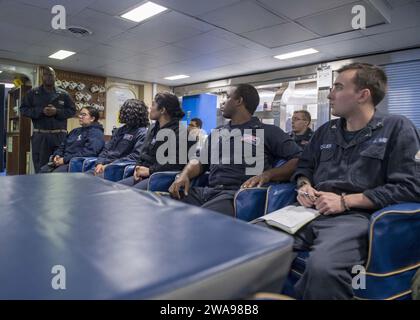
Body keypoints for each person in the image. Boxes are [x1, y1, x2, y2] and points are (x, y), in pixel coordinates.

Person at [259, 62, 420, 300]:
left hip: (353, 218)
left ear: (363, 95)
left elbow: (411, 187)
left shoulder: (396, 127)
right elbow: (304, 167)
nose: (330, 94)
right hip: (306, 212)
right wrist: (304, 185)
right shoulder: (326, 131)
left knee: (323, 269)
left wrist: (346, 201)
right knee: (249, 240)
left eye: (338, 87)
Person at [168, 84, 302, 217]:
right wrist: (184, 175)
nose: (223, 102)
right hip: (206, 192)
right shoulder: (217, 132)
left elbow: (298, 159)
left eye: (227, 97)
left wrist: (268, 175)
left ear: (239, 101)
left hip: (236, 196)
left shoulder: (268, 131)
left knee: (200, 219)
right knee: (162, 205)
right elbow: (200, 161)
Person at [119, 92, 190, 190]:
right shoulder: (152, 128)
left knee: (130, 195)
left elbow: (176, 162)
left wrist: (150, 171)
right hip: (145, 173)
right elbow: (142, 153)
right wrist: (138, 167)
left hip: (161, 177)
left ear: (162, 110)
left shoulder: (180, 132)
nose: (149, 109)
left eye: (153, 105)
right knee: (115, 189)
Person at [20, 66, 76, 173]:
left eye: (51, 74)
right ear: (42, 77)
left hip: (59, 137)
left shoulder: (64, 94)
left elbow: (72, 111)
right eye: (46, 74)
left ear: (55, 77)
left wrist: (57, 112)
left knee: (59, 166)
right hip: (41, 136)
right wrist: (41, 111)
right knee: (41, 168)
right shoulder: (33, 93)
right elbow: (23, 110)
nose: (48, 77)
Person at [92, 99, 149, 177]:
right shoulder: (119, 131)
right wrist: (99, 163)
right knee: (82, 178)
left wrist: (110, 165)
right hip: (103, 166)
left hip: (118, 168)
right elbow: (106, 149)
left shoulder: (142, 133)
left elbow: (135, 156)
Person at [40, 107, 104, 173]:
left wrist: (65, 160)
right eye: (80, 114)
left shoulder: (96, 133)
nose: (80, 116)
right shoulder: (75, 131)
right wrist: (57, 155)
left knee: (55, 176)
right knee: (42, 172)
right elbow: (63, 145)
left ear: (92, 118)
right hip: (63, 160)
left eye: (84, 115)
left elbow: (89, 152)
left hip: (76, 164)